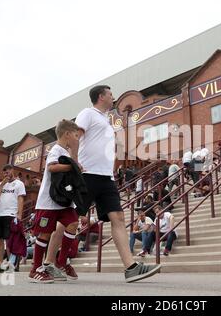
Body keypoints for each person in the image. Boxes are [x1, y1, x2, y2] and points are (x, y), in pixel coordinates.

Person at [75, 85, 160, 283]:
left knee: (118, 217)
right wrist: (73, 160)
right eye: (111, 94)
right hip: (87, 173)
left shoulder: (106, 120)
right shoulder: (87, 113)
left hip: (106, 177)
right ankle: (48, 261)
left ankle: (131, 267)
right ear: (100, 96)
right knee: (71, 220)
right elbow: (75, 136)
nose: (113, 97)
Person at [28, 119, 81, 283]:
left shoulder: (67, 152)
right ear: (67, 134)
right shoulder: (56, 150)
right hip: (49, 201)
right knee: (45, 233)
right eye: (75, 135)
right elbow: (51, 167)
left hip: (64, 200)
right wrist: (73, 167)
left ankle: (62, 262)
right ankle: (36, 268)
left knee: (73, 224)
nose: (77, 138)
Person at [0, 164, 26, 273]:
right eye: (4, 172)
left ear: (12, 171)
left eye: (8, 171)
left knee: (10, 239)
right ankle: (0, 263)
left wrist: (19, 214)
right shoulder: (1, 184)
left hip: (11, 214)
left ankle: (11, 263)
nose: (6, 174)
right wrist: (3, 184)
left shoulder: (19, 183)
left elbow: (20, 199)